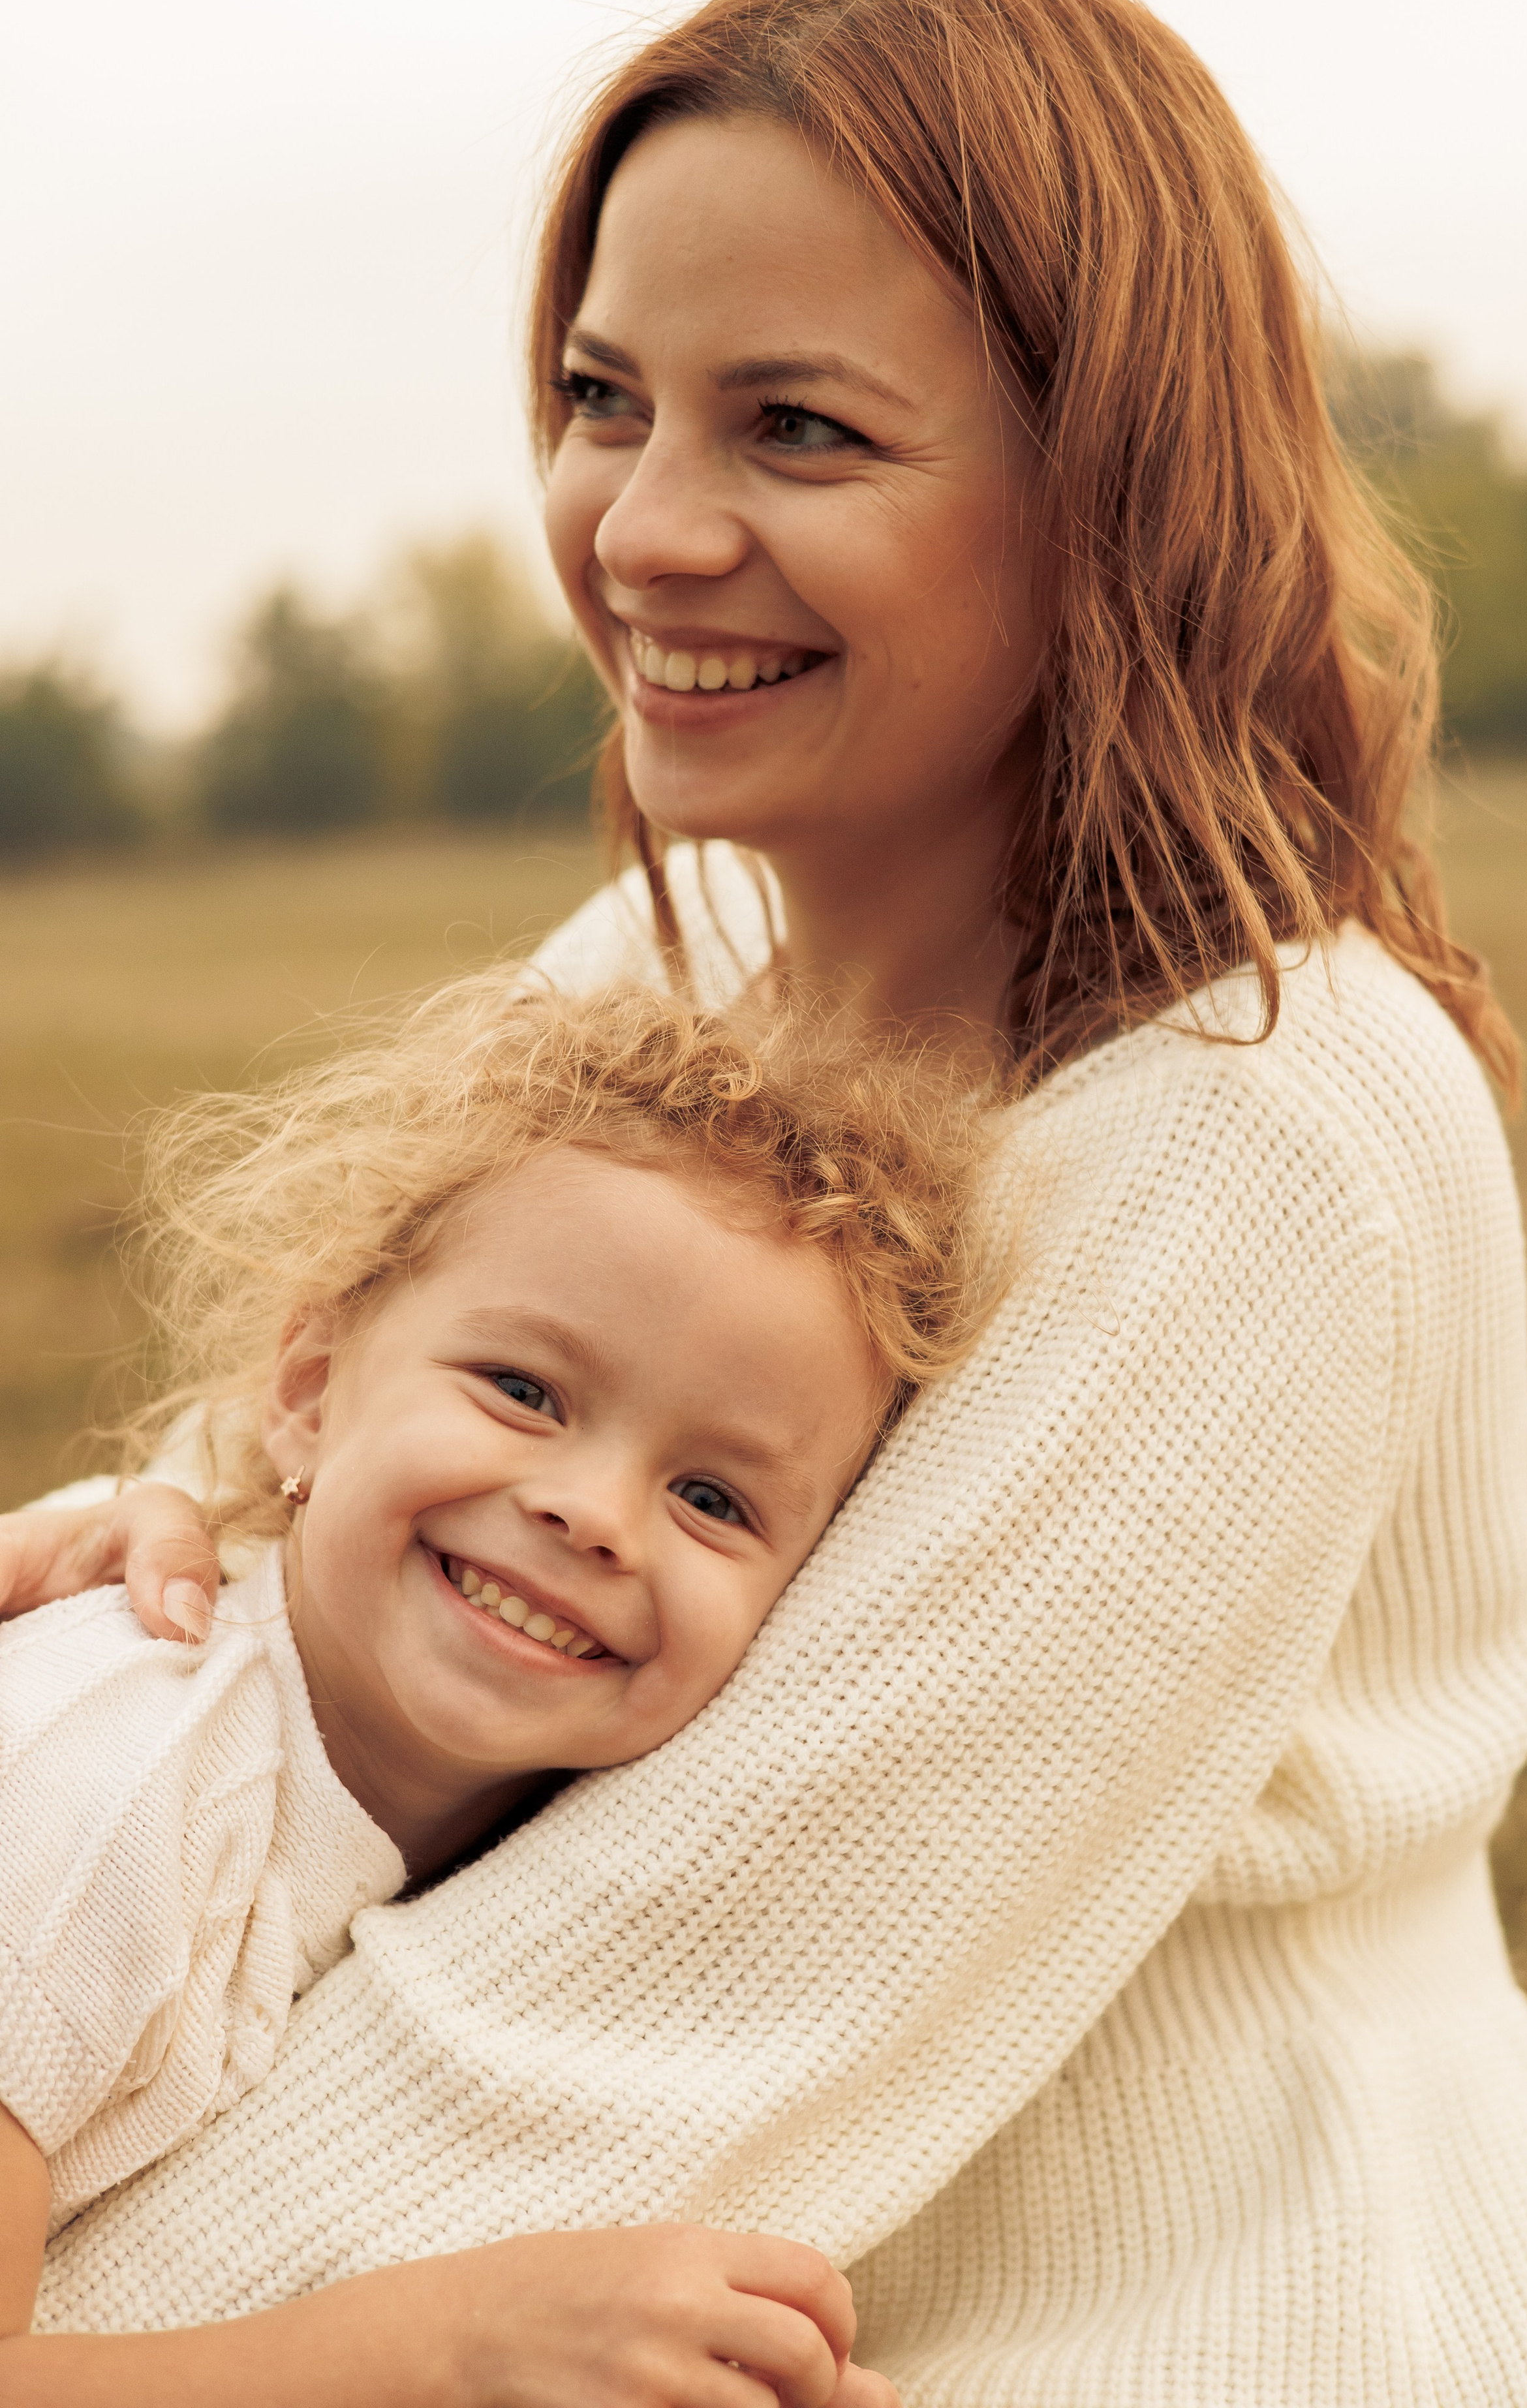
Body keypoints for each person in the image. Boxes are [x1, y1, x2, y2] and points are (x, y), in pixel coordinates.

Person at [0, 0, 1527, 2407]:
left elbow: (639, 2013)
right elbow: (282, 1571)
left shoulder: (1274, 1130)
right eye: (602, 399)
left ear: (1107, 496)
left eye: (798, 430)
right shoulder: (684, 956)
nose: (643, 529)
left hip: (1183, 2326)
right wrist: (167, 1567)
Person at [1, 972, 979, 2403]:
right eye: (525, 1391)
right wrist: (446, 2350)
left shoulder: (529, 1842)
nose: (595, 1513)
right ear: (309, 1392)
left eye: (711, 1497)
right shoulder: (98, 1798)